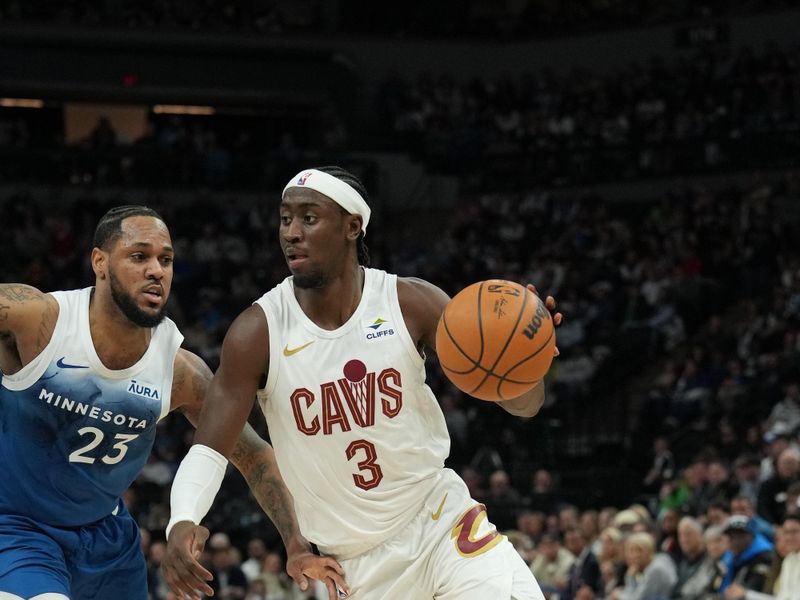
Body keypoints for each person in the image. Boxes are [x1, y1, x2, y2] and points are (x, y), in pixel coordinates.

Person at [164, 166, 561, 599]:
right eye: (285, 219)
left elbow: (523, 405)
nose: (292, 233)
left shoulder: (410, 303)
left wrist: (527, 363)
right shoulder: (257, 332)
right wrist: (182, 519)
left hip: (441, 526)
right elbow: (210, 449)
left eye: (309, 218)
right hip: (350, 565)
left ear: (352, 226)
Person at [0, 206, 343, 599]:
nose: (156, 270)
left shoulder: (178, 371)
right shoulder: (36, 319)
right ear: (99, 262)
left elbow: (253, 455)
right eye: (139, 256)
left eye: (166, 260)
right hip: (17, 526)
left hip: (106, 538)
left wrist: (296, 544)